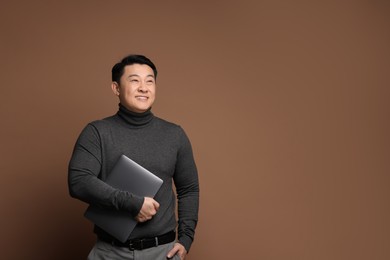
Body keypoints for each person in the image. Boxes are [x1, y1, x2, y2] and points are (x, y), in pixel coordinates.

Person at [68, 54, 199, 260]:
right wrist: (133, 203)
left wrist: (186, 239)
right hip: (110, 253)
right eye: (134, 80)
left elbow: (188, 189)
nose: (144, 87)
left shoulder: (175, 134)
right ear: (116, 88)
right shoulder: (97, 132)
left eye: (149, 81)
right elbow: (78, 181)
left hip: (163, 252)